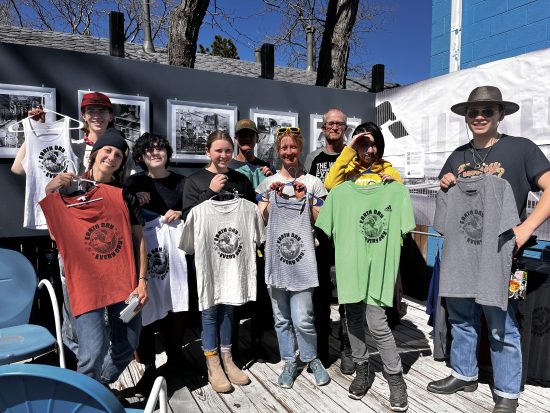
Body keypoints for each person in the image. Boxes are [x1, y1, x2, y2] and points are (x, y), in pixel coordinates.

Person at [426, 86, 550, 413]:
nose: (479, 117)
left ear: (501, 115)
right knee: (461, 317)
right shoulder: (458, 156)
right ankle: (464, 373)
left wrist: (525, 229)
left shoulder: (521, 149)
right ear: (466, 117)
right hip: (462, 256)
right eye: (473, 112)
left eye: (487, 111)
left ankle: (508, 392)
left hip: (506, 256)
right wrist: (444, 185)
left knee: (502, 322)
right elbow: (444, 203)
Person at [40, 129, 148, 385]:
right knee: (92, 350)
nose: (112, 157)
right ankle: (88, 398)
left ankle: (98, 385)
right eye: (108, 150)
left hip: (122, 278)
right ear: (95, 153)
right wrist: (51, 189)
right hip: (84, 280)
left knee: (128, 343)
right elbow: (56, 235)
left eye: (118, 155)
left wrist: (143, 280)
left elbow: (139, 240)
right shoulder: (70, 188)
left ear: (123, 163)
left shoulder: (125, 195)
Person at [322, 122, 408, 410]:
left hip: (379, 264)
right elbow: (330, 185)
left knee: (377, 321)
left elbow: (400, 201)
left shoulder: (389, 175)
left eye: (374, 144)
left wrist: (388, 182)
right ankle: (362, 368)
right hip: (352, 262)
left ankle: (395, 377)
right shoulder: (346, 177)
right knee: (353, 318)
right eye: (364, 143)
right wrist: (349, 149)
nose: (370, 149)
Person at [181, 130, 256, 393]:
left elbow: (251, 214)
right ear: (207, 152)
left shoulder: (241, 180)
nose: (223, 155)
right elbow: (188, 217)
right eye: (218, 150)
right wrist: (209, 192)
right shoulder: (194, 181)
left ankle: (228, 358)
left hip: (233, 256)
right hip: (207, 258)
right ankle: (212, 362)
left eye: (227, 150)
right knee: (210, 309)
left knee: (230, 307)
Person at [256, 127, 330, 388]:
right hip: (276, 261)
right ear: (278, 151)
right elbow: (260, 219)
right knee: (281, 318)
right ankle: (289, 360)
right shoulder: (267, 184)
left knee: (304, 318)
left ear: (299, 149)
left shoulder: (312, 183)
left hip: (303, 262)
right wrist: (269, 199)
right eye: (284, 148)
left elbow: (324, 219)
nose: (288, 152)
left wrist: (306, 201)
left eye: (293, 147)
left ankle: (312, 358)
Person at [125, 132, 187, 393]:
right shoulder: (133, 182)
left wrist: (182, 212)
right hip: (143, 253)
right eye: (149, 150)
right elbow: (124, 212)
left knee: (176, 307)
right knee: (145, 309)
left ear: (167, 153)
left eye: (160, 148)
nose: (155, 153)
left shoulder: (181, 182)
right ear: (140, 156)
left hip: (175, 253)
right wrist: (133, 201)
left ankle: (176, 359)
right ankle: (148, 367)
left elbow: (192, 209)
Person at [303, 108, 353, 371]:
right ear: (323, 127)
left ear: (345, 128)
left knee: (346, 291)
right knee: (320, 293)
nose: (334, 127)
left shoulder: (352, 156)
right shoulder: (313, 157)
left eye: (339, 124)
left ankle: (347, 347)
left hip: (347, 234)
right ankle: (321, 348)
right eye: (330, 123)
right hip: (320, 234)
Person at [229, 119, 274, 362]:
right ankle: (233, 346)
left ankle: (258, 341)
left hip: (263, 238)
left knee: (261, 293)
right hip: (238, 238)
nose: (246, 141)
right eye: (242, 136)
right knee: (236, 291)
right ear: (236, 138)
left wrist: (272, 176)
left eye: (251, 136)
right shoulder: (228, 165)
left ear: (256, 139)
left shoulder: (266, 166)